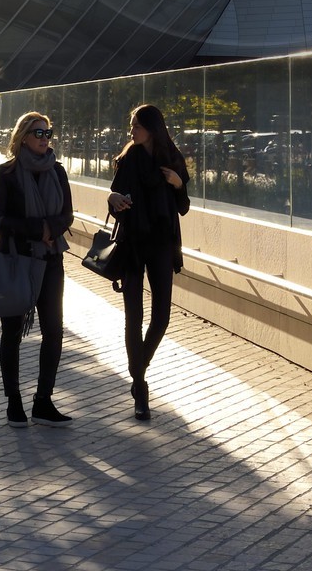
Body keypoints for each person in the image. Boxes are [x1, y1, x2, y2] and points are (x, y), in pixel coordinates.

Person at [0, 111, 74, 428]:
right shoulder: (7, 173)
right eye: (39, 133)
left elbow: (67, 214)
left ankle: (43, 401)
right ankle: (14, 402)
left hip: (51, 260)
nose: (45, 138)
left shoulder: (58, 171)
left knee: (53, 330)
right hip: (16, 260)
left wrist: (51, 227)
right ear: (23, 136)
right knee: (12, 333)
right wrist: (36, 229)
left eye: (48, 132)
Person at [108, 104, 190, 421]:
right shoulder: (129, 159)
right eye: (131, 126)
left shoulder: (172, 161)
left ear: (152, 128)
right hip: (132, 245)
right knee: (133, 317)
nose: (132, 131)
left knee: (162, 317)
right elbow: (116, 198)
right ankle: (140, 388)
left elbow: (182, 207)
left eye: (137, 126)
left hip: (162, 245)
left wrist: (178, 185)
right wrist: (112, 199)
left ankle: (137, 367)